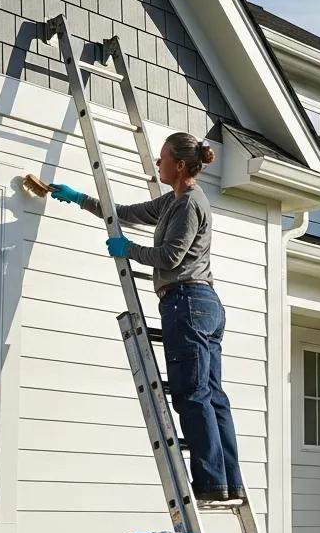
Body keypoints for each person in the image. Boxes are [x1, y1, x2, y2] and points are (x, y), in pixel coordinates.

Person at [45, 132, 245, 502]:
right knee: (212, 395)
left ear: (180, 165)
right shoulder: (173, 201)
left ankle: (211, 483)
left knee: (193, 394)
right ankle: (226, 481)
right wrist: (79, 199)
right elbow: (126, 213)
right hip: (200, 304)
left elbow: (170, 257)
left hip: (188, 301)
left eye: (163, 158)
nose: (158, 163)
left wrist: (129, 250)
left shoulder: (188, 206)